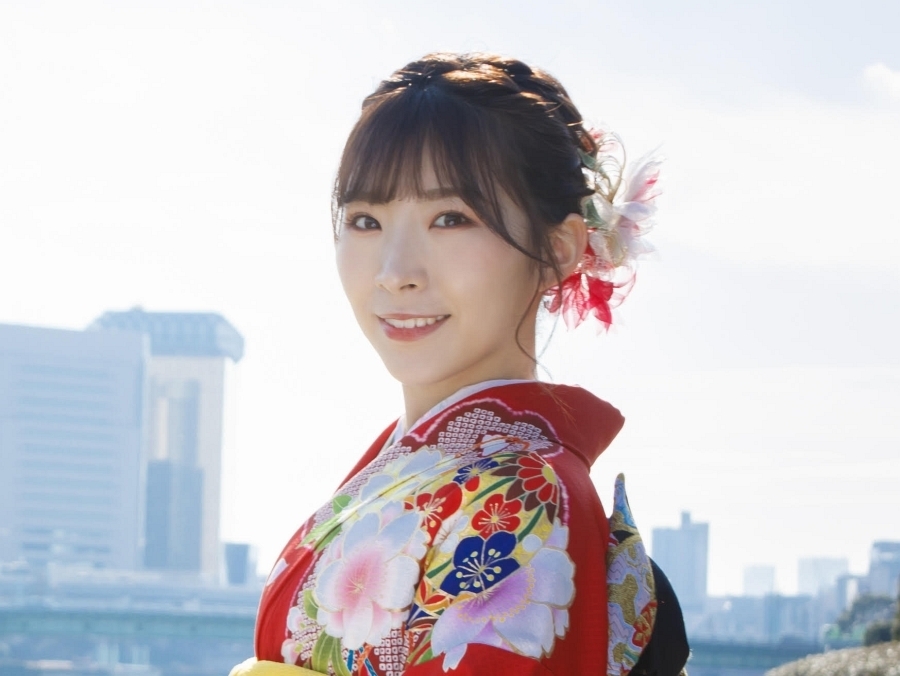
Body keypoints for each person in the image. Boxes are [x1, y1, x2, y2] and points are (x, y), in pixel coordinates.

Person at [232, 52, 687, 676]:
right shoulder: (423, 468)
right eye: (365, 221)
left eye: (450, 219)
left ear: (558, 249)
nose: (395, 272)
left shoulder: (521, 493)